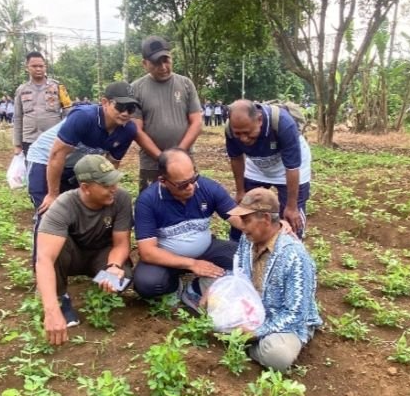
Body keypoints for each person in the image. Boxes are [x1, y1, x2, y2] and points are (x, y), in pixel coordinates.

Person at [36, 154, 133, 345]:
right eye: (106, 185)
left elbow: (121, 243)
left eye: (114, 182)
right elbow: (44, 259)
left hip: (101, 255)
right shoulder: (63, 205)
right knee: (56, 249)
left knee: (122, 280)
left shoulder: (121, 198)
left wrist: (113, 266)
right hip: (72, 257)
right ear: (85, 187)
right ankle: (60, 296)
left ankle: (100, 286)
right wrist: (51, 309)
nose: (113, 189)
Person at [227, 188, 322, 370]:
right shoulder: (247, 240)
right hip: (252, 310)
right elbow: (238, 274)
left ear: (266, 219)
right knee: (212, 295)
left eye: (246, 220)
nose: (242, 226)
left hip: (284, 323)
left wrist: (255, 332)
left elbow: (295, 314)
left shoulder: (294, 255)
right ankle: (243, 339)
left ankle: (247, 345)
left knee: (278, 355)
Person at [133, 148, 244, 300]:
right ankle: (175, 285)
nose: (191, 186)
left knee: (246, 259)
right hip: (167, 258)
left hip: (206, 248)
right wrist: (191, 264)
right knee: (147, 284)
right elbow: (147, 251)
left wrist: (271, 225)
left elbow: (238, 218)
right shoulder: (148, 201)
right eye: (182, 184)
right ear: (163, 181)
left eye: (193, 178)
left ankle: (198, 286)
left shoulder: (208, 188)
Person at [28, 81, 139, 217]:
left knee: (78, 213)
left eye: (131, 109)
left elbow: (110, 166)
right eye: (121, 107)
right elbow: (57, 155)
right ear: (105, 102)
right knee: (50, 213)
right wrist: (52, 194)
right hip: (45, 159)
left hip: (74, 165)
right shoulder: (84, 117)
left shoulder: (128, 130)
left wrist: (106, 189)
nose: (125, 113)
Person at [225, 99, 312, 239]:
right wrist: (240, 191)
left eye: (247, 132)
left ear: (259, 120)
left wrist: (291, 206)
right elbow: (236, 158)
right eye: (238, 134)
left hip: (289, 168)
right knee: (244, 210)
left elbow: (292, 167)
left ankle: (291, 249)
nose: (244, 139)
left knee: (291, 216)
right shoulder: (231, 128)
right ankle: (238, 249)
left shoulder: (283, 124)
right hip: (257, 165)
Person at [130, 36, 203, 192]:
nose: (163, 67)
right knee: (152, 203)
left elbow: (196, 122)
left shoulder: (186, 84)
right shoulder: (136, 88)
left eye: (166, 60)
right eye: (156, 63)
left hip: (184, 159)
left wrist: (179, 153)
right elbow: (136, 129)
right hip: (151, 163)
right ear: (144, 64)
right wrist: (161, 158)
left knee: (187, 200)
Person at [13, 51, 70, 157]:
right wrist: (17, 144)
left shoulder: (58, 87)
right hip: (30, 139)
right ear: (27, 68)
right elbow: (17, 118)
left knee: (54, 170)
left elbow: (68, 113)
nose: (38, 69)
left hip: (53, 138)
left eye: (41, 66)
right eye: (34, 66)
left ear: (45, 67)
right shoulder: (21, 90)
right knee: (31, 171)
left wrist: (67, 138)